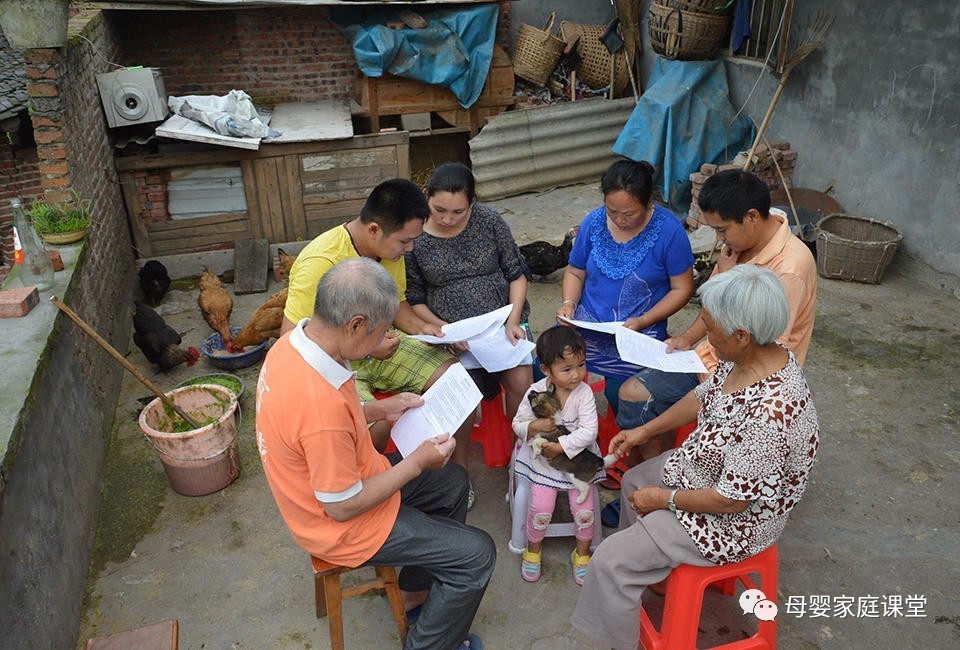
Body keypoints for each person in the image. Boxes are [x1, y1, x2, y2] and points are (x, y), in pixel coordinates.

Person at [572, 265, 820, 649]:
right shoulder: (753, 356)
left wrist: (664, 500)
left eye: (711, 324)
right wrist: (643, 431)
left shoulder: (771, 413)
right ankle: (649, 572)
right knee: (635, 480)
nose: (704, 332)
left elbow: (732, 500)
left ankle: (622, 625)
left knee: (608, 563)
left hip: (734, 523)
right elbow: (703, 397)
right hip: (707, 469)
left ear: (741, 335)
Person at [258, 258, 495, 650]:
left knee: (452, 481)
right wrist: (417, 461)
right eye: (382, 330)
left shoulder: (296, 344)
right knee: (477, 554)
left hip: (351, 476)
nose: (388, 339)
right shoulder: (319, 410)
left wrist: (378, 409)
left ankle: (415, 594)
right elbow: (343, 506)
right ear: (354, 324)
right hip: (340, 525)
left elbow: (318, 431)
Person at [281, 178, 480, 507]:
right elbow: (292, 342)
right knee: (371, 429)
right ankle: (368, 495)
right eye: (405, 241)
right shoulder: (318, 263)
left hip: (382, 346)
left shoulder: (390, 250)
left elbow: (398, 306)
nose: (410, 249)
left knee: (458, 385)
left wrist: (428, 328)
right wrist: (368, 347)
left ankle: (455, 477)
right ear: (374, 230)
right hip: (330, 365)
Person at [616, 168, 817, 460]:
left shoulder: (789, 269)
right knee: (632, 396)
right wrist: (687, 338)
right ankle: (659, 467)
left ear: (751, 217)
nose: (719, 239)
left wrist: (726, 275)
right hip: (716, 357)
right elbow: (714, 310)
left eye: (722, 230)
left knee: (649, 406)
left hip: (744, 374)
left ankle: (668, 480)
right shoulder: (741, 243)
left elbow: (764, 349)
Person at [556, 159, 695, 411]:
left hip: (637, 332)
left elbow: (682, 289)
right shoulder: (593, 223)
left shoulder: (670, 232)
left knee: (620, 393)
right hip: (587, 324)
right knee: (549, 370)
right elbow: (576, 272)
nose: (619, 220)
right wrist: (568, 304)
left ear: (648, 202)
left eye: (629, 213)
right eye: (612, 211)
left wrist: (643, 320)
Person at [405, 162, 533, 424]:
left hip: (500, 326)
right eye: (439, 210)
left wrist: (512, 321)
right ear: (425, 194)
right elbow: (414, 297)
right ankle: (459, 463)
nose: (447, 219)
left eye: (458, 212)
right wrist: (446, 331)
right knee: (460, 396)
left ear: (472, 204)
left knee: (522, 382)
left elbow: (516, 274)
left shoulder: (489, 221)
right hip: (449, 333)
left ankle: (520, 454)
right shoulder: (413, 234)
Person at [511, 327, 600, 586]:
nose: (577, 375)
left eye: (581, 365)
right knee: (540, 508)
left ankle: (582, 553)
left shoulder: (584, 393)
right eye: (567, 369)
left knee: (584, 510)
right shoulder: (536, 392)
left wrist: (561, 446)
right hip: (544, 465)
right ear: (546, 370)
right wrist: (535, 427)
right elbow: (517, 424)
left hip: (577, 460)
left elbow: (589, 432)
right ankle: (533, 549)